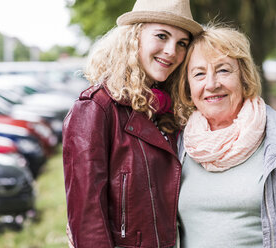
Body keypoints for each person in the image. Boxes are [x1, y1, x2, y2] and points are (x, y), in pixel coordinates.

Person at [172, 24, 276, 248]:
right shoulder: (177, 145)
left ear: (244, 78)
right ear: (188, 86)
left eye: (223, 70)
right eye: (199, 74)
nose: (211, 84)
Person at [62, 0, 202, 247]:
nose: (172, 51)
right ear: (133, 37)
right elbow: (87, 220)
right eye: (162, 36)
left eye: (182, 43)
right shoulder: (95, 108)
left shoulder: (172, 109)